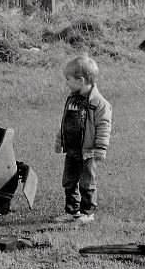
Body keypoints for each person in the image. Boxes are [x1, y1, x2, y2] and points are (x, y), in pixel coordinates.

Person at [53, 55, 112, 224]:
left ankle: (87, 212)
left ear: (80, 80)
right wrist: (59, 141)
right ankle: (71, 211)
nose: (66, 83)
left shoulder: (99, 103)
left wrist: (101, 148)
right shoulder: (72, 99)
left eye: (68, 79)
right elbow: (64, 123)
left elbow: (103, 127)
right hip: (71, 149)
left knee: (87, 182)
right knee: (69, 181)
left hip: (88, 151)